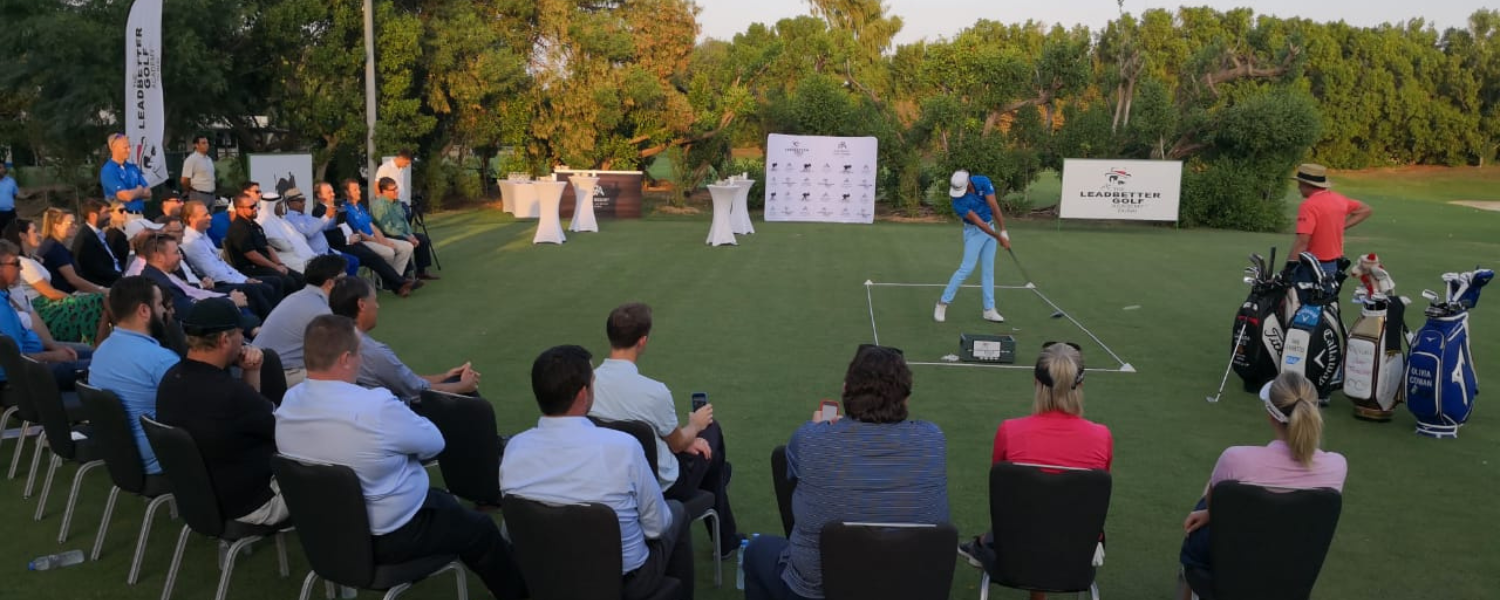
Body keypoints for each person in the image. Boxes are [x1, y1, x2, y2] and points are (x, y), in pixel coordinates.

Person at [276, 315, 528, 600]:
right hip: (392, 534)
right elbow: (434, 443)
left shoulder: (288, 404)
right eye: (359, 354)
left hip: (324, 533)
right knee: (480, 530)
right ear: (346, 358)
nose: (361, 361)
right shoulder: (375, 405)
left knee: (449, 509)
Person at [744, 344, 949, 600]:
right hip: (910, 587)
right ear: (905, 397)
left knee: (756, 552)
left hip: (817, 589)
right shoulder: (932, 439)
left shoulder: (809, 439)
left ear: (845, 390)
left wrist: (819, 430)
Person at [502, 344, 693, 600]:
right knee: (676, 512)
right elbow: (656, 527)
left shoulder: (515, 449)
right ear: (583, 394)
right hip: (622, 584)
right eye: (593, 381)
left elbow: (513, 529)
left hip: (546, 575)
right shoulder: (622, 448)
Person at [956, 342, 1113, 597]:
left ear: (1035, 382)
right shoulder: (1102, 436)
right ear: (1080, 385)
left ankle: (982, 544)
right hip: (1075, 559)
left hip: (1015, 556)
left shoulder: (1009, 431)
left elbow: (1004, 498)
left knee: (1024, 514)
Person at [588, 302, 742, 558]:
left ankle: (716, 486)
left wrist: (686, 440)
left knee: (703, 453)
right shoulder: (653, 392)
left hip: (612, 474)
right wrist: (696, 425)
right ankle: (725, 538)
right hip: (662, 483)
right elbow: (678, 443)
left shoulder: (589, 384)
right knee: (711, 432)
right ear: (642, 341)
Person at [1176, 371, 1348, 600]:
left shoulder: (1235, 460)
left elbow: (1215, 505)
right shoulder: (1337, 466)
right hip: (1293, 564)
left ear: (1271, 415)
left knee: (1201, 515)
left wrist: (1209, 512)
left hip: (1237, 557)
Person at [156, 298, 289, 525]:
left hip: (202, 499)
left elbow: (249, 414)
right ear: (225, 339)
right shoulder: (230, 394)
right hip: (254, 502)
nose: (244, 341)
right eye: (240, 334)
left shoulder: (170, 379)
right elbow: (287, 433)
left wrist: (252, 369)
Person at [327, 276, 476, 402]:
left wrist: (445, 376)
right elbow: (417, 392)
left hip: (354, 410)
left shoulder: (328, 339)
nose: (378, 306)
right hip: (389, 416)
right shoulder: (373, 351)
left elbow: (406, 381)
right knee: (469, 396)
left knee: (453, 382)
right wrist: (462, 386)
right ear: (362, 304)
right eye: (375, 300)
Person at [89, 276, 181, 474]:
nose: (165, 310)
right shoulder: (161, 360)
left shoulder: (102, 350)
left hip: (121, 454)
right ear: (144, 310)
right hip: (159, 457)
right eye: (159, 304)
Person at [0, 240, 91, 392]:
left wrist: (53, 347)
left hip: (35, 364)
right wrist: (55, 356)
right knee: (100, 366)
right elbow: (16, 360)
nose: (21, 267)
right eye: (15, 263)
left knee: (95, 355)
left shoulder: (5, 295)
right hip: (29, 374)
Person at [289, 183, 410, 295]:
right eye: (300, 201)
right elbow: (317, 233)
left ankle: (398, 283)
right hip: (338, 246)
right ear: (320, 196)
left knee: (375, 256)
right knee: (369, 258)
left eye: (304, 200)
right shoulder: (316, 211)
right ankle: (395, 284)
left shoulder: (313, 214)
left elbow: (326, 227)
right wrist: (330, 220)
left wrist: (335, 219)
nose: (333, 194)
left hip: (346, 243)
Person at [2, 219, 106, 343]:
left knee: (101, 300)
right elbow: (51, 292)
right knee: (99, 300)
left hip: (48, 303)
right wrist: (80, 299)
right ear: (23, 236)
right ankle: (100, 346)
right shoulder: (25, 263)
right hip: (45, 307)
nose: (39, 234)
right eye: (34, 231)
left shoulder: (31, 260)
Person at [251, 255, 347, 385]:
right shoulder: (320, 311)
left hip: (258, 370)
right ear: (330, 283)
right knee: (344, 371)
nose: (347, 284)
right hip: (278, 375)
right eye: (344, 279)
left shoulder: (298, 296)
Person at [935, 169, 1010, 324]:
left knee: (988, 271)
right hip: (975, 232)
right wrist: (999, 238)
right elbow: (980, 224)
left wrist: (1003, 231)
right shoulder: (958, 203)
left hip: (990, 227)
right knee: (966, 269)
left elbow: (994, 207)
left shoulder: (983, 181)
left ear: (968, 182)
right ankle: (942, 303)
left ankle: (989, 310)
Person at [139, 233, 254, 330]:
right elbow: (191, 311)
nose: (181, 257)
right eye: (176, 253)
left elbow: (192, 292)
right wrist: (230, 301)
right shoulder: (160, 283)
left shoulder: (163, 274)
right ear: (159, 257)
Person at [181, 199, 285, 304]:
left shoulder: (203, 235)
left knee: (275, 281)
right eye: (205, 215)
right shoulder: (191, 243)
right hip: (218, 283)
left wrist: (245, 279)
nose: (210, 217)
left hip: (229, 277)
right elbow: (214, 273)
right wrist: (244, 282)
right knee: (262, 288)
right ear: (191, 219)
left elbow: (222, 264)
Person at [1285, 164, 1373, 282]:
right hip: (1332, 264)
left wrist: (1288, 269)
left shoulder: (1308, 205)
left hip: (1311, 265)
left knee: (1298, 298)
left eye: (1300, 184)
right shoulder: (1338, 199)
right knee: (1325, 298)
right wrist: (1340, 227)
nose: (1299, 187)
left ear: (1307, 185)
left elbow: (1302, 242)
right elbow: (1366, 210)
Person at [225, 191, 304, 291]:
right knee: (288, 282)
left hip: (266, 265)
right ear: (239, 209)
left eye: (255, 205)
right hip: (252, 269)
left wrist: (280, 264)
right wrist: (275, 267)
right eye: (251, 207)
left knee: (301, 279)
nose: (255, 209)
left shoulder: (254, 225)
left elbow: (267, 246)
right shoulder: (239, 228)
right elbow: (253, 256)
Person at [343, 178, 413, 278]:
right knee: (389, 252)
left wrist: (384, 241)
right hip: (364, 241)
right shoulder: (346, 209)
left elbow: (373, 226)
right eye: (355, 190)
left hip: (375, 238)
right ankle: (392, 280)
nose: (359, 192)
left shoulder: (360, 206)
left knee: (407, 247)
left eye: (359, 188)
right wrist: (381, 243)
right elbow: (361, 234)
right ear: (346, 192)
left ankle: (396, 279)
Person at [372, 177, 437, 281]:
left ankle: (421, 271)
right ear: (384, 191)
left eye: (396, 188)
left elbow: (404, 221)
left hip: (401, 233)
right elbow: (387, 228)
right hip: (387, 235)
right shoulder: (379, 205)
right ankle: (405, 275)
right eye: (393, 189)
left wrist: (410, 234)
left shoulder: (397, 202)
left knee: (423, 239)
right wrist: (407, 237)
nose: (396, 191)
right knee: (406, 243)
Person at [36, 208, 109, 296]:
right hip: (67, 296)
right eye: (71, 224)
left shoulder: (54, 245)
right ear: (56, 226)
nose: (75, 226)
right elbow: (73, 280)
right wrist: (101, 290)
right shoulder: (54, 248)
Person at [72, 200, 127, 287]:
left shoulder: (99, 234)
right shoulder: (86, 239)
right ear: (93, 216)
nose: (109, 216)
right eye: (106, 212)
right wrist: (122, 277)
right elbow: (95, 269)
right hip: (107, 286)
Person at [100, 133, 152, 216]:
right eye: (125, 147)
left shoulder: (132, 168)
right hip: (122, 216)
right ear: (114, 148)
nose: (129, 150)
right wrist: (139, 190)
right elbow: (126, 196)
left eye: (129, 147)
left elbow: (149, 193)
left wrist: (133, 193)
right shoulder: (109, 170)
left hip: (139, 214)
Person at [374, 150, 414, 219]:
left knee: (408, 216)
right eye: (406, 163)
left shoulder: (402, 169)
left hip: (401, 200)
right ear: (401, 158)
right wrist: (381, 201)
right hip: (390, 201)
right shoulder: (385, 167)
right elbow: (376, 184)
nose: (406, 165)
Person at [179, 135, 216, 204]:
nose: (207, 145)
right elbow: (184, 180)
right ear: (196, 145)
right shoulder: (191, 159)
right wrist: (188, 191)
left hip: (211, 195)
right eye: (203, 143)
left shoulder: (209, 159)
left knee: (210, 215)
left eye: (207, 143)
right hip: (198, 195)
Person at [0, 162, 18, 233]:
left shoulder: (11, 181)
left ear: (5, 169)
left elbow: (14, 195)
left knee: (11, 234)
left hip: (10, 213)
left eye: (1, 168)